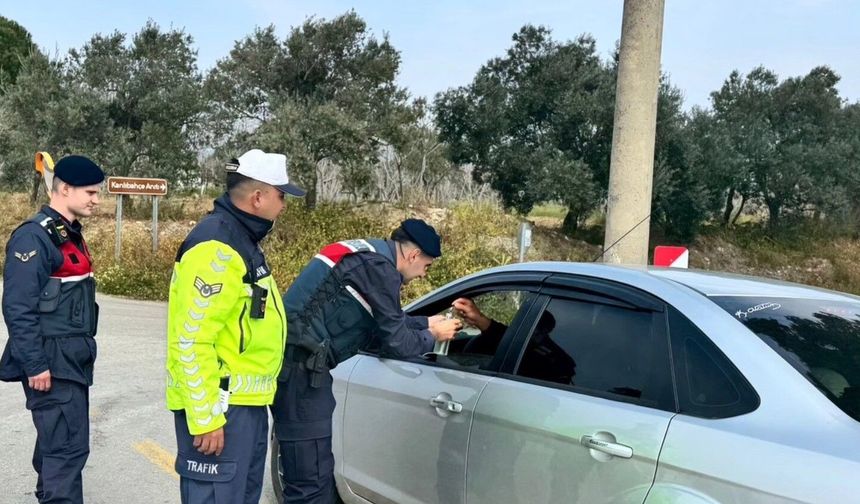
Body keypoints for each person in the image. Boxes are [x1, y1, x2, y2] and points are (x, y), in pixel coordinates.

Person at [272, 218, 462, 503]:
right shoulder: (380, 270)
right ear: (413, 255)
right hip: (301, 376)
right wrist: (433, 334)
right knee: (309, 484)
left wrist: (424, 321)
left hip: (297, 370)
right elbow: (397, 342)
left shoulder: (366, 254)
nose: (424, 275)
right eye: (427, 266)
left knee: (316, 477)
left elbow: (387, 321)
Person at [165, 149, 304, 503]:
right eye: (281, 195)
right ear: (258, 197)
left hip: (246, 407)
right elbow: (191, 340)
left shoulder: (242, 240)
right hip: (222, 411)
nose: (283, 205)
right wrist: (206, 417)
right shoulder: (217, 246)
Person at [0, 155, 105, 504]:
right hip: (52, 360)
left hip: (71, 360)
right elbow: (18, 307)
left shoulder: (67, 233)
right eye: (90, 192)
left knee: (57, 445)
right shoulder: (34, 238)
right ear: (64, 189)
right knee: (67, 450)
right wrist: (36, 364)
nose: (96, 199)